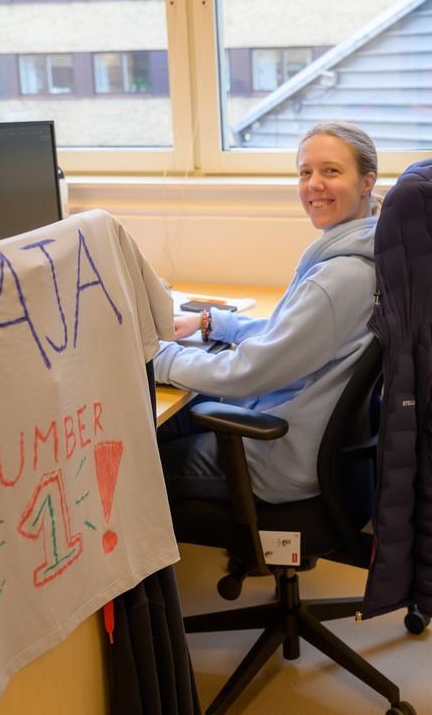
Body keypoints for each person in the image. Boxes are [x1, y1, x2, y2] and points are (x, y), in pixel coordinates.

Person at [153, 122, 381, 504]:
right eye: (305, 172)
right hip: (304, 440)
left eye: (331, 171)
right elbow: (291, 333)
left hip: (276, 459)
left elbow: (249, 372)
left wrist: (159, 359)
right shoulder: (365, 251)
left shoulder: (340, 277)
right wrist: (214, 323)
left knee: (129, 466)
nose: (314, 184)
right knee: (165, 422)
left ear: (366, 182)